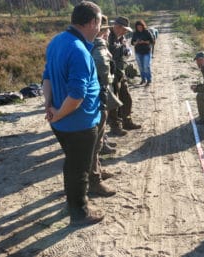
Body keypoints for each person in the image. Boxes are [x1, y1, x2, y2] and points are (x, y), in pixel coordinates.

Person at [42, 1, 110, 227]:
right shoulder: (79, 50)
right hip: (78, 124)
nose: (100, 28)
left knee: (71, 164)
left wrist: (49, 106)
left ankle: (71, 203)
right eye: (99, 22)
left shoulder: (56, 41)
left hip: (62, 122)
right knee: (80, 168)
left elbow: (47, 77)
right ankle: (79, 213)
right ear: (92, 22)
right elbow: (77, 95)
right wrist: (58, 113)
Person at [89, 15, 119, 187]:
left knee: (98, 139)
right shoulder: (99, 47)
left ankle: (97, 170)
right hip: (98, 96)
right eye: (106, 30)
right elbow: (103, 71)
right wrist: (111, 77)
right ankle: (94, 179)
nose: (108, 33)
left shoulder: (89, 45)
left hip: (95, 96)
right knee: (96, 140)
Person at [108, 16, 141, 135]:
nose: (126, 32)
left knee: (126, 98)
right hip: (111, 75)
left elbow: (125, 50)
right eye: (124, 29)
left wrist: (127, 50)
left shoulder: (121, 37)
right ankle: (115, 126)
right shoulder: (107, 36)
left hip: (121, 73)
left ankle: (127, 122)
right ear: (117, 27)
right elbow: (109, 54)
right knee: (114, 102)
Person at [131, 19, 155, 86]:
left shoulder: (147, 32)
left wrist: (144, 42)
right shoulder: (135, 33)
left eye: (140, 27)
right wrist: (136, 42)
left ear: (143, 26)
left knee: (146, 66)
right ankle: (143, 79)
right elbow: (132, 42)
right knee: (140, 66)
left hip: (146, 51)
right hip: (138, 52)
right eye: (138, 27)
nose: (139, 28)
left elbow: (152, 41)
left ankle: (149, 80)